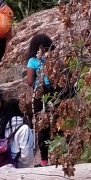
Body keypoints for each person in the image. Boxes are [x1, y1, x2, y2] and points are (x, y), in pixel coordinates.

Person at [24, 33, 55, 165]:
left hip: (40, 95)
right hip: (55, 92)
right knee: (57, 121)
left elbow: (30, 82)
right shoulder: (54, 57)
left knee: (42, 126)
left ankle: (44, 160)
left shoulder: (33, 61)